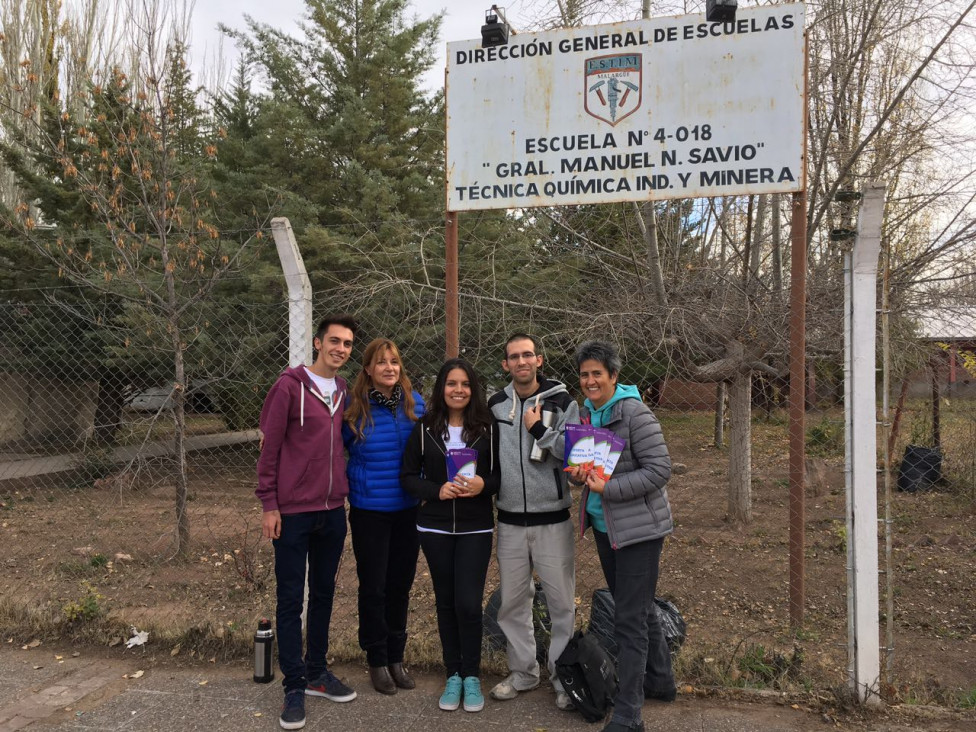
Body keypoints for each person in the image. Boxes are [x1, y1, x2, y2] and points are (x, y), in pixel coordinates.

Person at [256, 314, 359, 731]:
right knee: (289, 598)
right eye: (334, 341)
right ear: (318, 343)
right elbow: (270, 448)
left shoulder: (346, 391)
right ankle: (293, 685)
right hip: (293, 512)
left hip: (333, 510)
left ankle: (317, 672)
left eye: (348, 344)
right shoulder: (288, 387)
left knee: (322, 594)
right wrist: (269, 504)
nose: (341, 349)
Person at [569, 340, 676, 732]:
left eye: (598, 373)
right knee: (639, 608)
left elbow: (659, 469)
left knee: (628, 619)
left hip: (639, 533)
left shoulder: (634, 413)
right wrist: (582, 477)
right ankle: (661, 680)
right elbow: (591, 471)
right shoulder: (587, 414)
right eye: (584, 374)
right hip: (605, 528)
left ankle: (630, 714)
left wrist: (606, 488)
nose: (590, 380)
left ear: (614, 376)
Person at [400, 358, 500, 714]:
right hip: (435, 526)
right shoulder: (425, 428)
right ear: (441, 388)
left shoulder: (487, 428)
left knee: (468, 603)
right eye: (451, 383)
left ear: (473, 390)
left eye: (465, 384)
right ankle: (452, 673)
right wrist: (436, 490)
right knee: (445, 601)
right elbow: (408, 477)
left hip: (475, 526)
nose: (458, 390)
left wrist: (482, 485)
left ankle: (472, 675)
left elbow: (500, 477)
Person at [487, 333, 580, 710]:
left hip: (553, 520)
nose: (521, 362)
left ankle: (563, 676)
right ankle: (524, 672)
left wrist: (540, 429)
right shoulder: (494, 404)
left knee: (561, 602)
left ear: (539, 360)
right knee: (512, 602)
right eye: (514, 357)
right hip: (509, 521)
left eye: (528, 355)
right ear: (506, 364)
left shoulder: (563, 401)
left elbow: (576, 453)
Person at [343, 338, 425, 695]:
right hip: (370, 511)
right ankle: (376, 659)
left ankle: (396, 657)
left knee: (400, 587)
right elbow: (332, 449)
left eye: (394, 362)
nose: (389, 368)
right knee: (373, 588)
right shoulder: (353, 409)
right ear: (368, 370)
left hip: (407, 510)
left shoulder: (415, 403)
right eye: (381, 363)